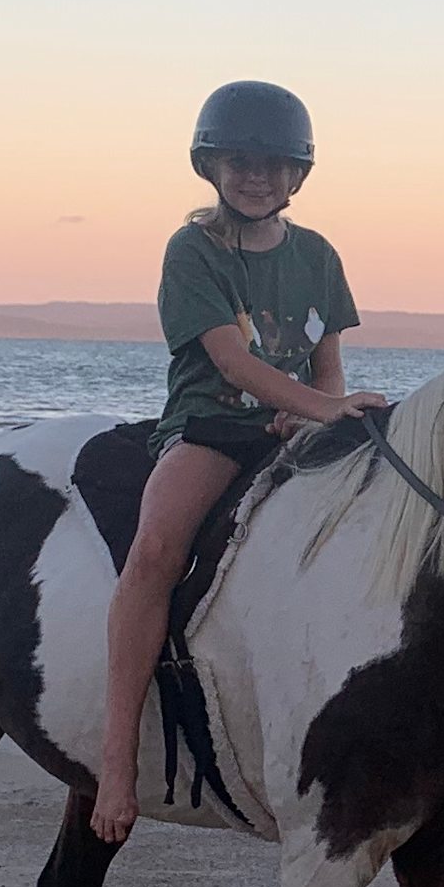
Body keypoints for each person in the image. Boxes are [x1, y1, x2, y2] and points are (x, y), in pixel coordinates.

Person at [92, 81, 385, 843]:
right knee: (154, 555)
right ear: (212, 167)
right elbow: (230, 362)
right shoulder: (194, 249)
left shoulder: (318, 255)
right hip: (211, 429)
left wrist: (317, 413)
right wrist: (318, 408)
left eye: (273, 164)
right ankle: (117, 760)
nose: (256, 176)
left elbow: (328, 368)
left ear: (297, 176)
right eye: (241, 162)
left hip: (292, 429)